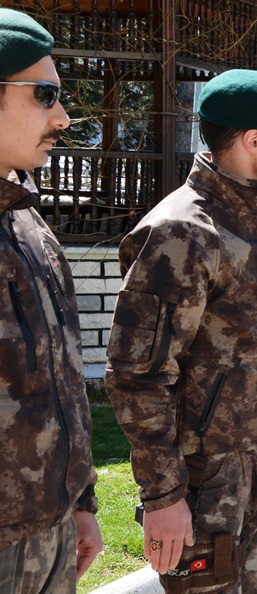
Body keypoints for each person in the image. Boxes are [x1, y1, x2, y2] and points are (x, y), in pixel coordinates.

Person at [106, 69, 257, 592]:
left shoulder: (256, 222)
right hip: (204, 479)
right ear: (253, 141)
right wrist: (164, 495)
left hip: (255, 464)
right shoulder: (183, 232)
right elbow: (138, 375)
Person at [0, 8, 102, 590]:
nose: (62, 118)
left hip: (51, 530)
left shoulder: (29, 225)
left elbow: (63, 377)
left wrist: (80, 503)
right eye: (45, 95)